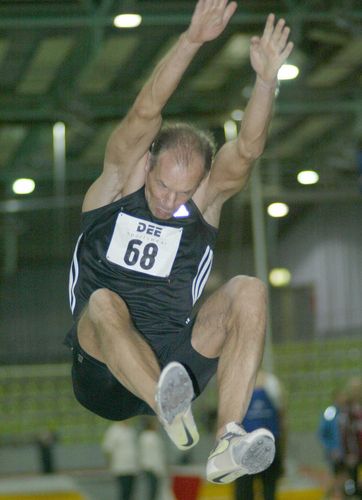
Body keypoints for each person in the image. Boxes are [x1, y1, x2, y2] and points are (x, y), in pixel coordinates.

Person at [66, 0, 294, 484]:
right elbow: (147, 108)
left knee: (249, 289)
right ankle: (165, 405)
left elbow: (249, 149)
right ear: (148, 163)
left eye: (183, 192)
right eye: (163, 187)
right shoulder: (113, 187)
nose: (170, 201)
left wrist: (267, 81)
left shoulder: (203, 203)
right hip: (104, 369)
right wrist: (193, 39)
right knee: (105, 302)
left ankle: (228, 439)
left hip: (175, 361)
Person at [235, 371, 287, 500]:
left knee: (245, 493)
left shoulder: (236, 384)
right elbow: (283, 422)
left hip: (248, 447)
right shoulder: (273, 384)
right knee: (267, 491)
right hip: (264, 445)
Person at [318, 388, 348, 500]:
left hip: (347, 451)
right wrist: (331, 448)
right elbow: (322, 433)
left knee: (344, 475)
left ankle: (337, 494)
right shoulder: (330, 413)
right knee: (337, 474)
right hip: (335, 451)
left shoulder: (347, 412)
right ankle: (332, 495)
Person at [101, 421, 139, 500]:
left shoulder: (131, 430)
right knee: (124, 492)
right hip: (121, 468)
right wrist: (110, 465)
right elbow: (107, 449)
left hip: (132, 468)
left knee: (131, 493)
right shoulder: (113, 430)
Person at [139, 418, 168, 500]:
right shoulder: (152, 437)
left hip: (149, 467)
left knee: (152, 491)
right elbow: (155, 455)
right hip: (153, 468)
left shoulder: (143, 436)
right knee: (153, 491)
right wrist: (159, 469)